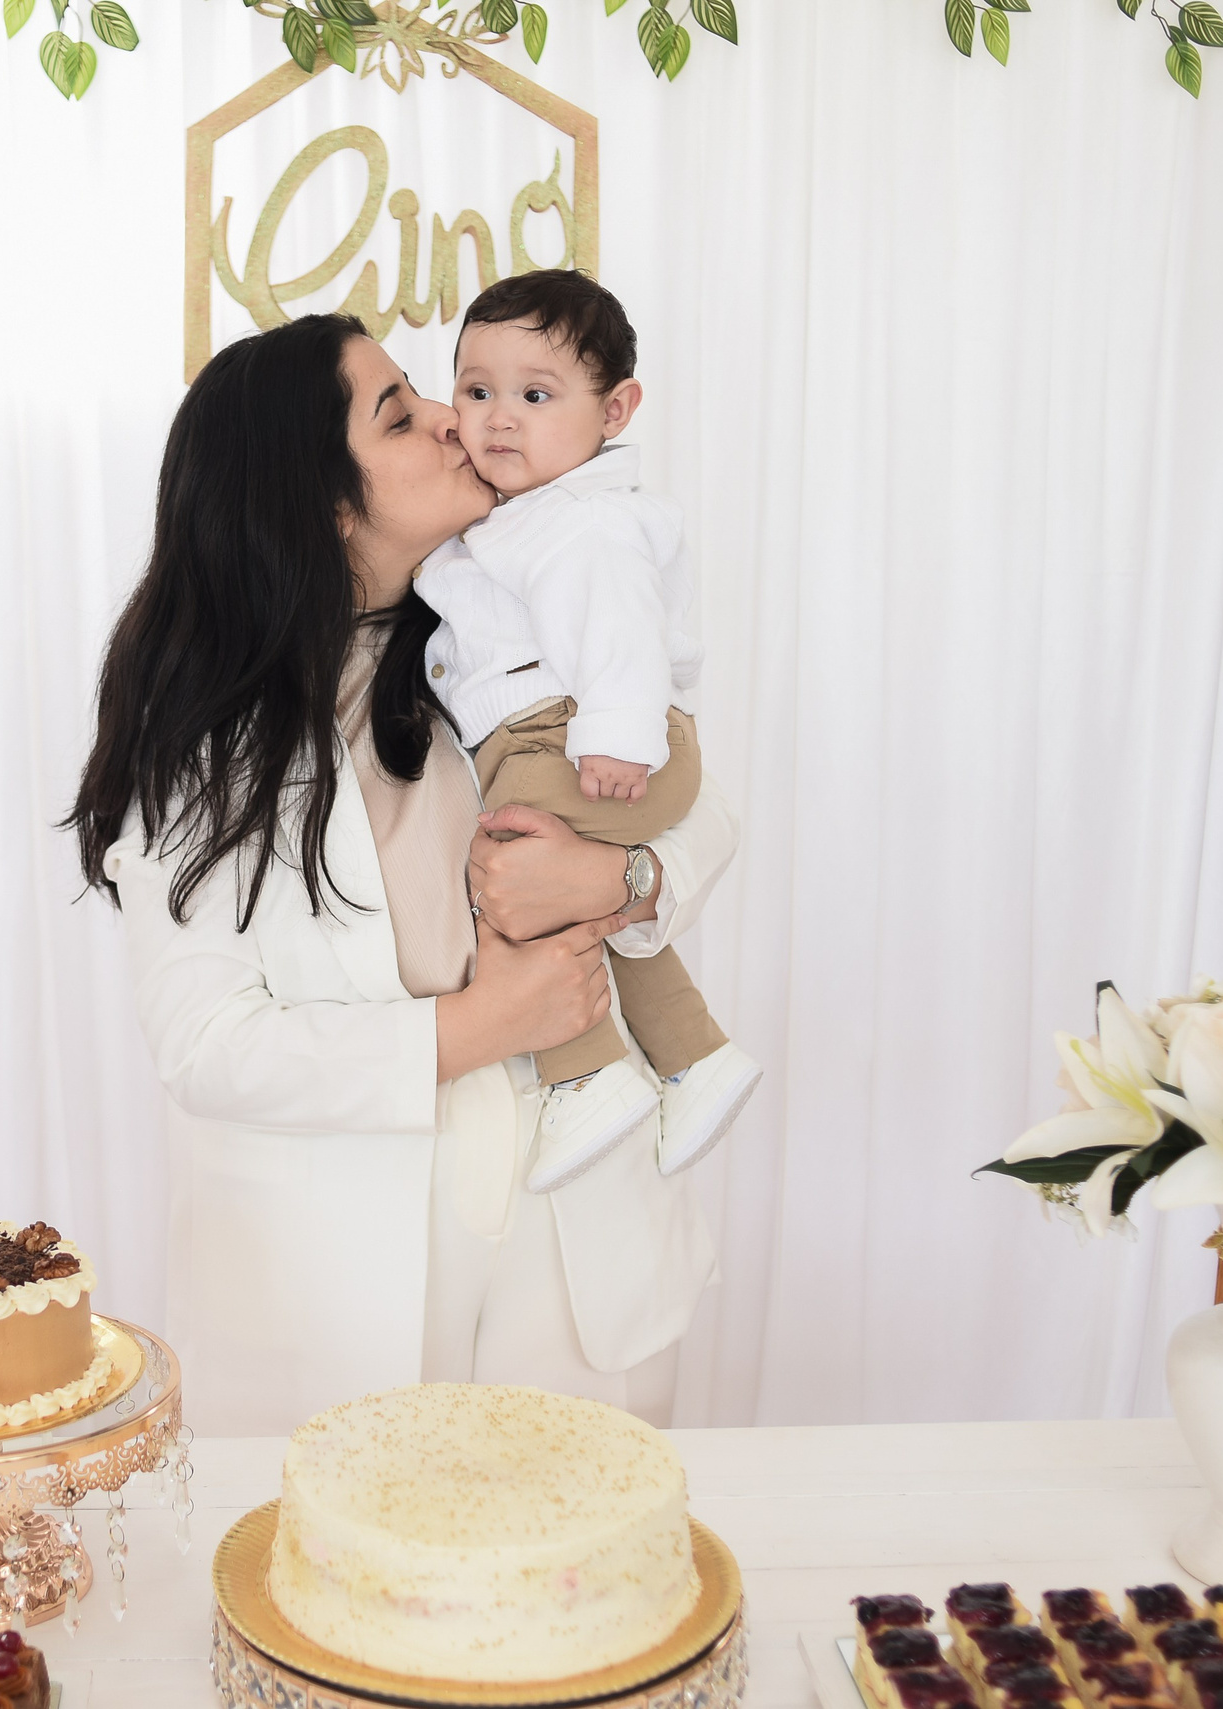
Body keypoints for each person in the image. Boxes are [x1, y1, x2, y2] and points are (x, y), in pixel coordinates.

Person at [67, 313, 739, 1435]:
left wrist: (622, 879)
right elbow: (209, 1043)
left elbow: (697, 797)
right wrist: (482, 1023)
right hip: (342, 1259)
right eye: (399, 414)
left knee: (578, 1576)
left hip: (571, 1228)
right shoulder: (202, 738)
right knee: (347, 1585)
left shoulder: (504, 614)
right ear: (321, 502)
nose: (453, 418)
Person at [417, 269, 763, 1194]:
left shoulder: (584, 521)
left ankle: (587, 1070)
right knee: (563, 891)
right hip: (561, 739)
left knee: (508, 870)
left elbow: (617, 628)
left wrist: (616, 735)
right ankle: (692, 1053)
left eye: (535, 396)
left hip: (578, 741)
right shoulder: (522, 516)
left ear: (616, 410)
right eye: (476, 390)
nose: (497, 418)